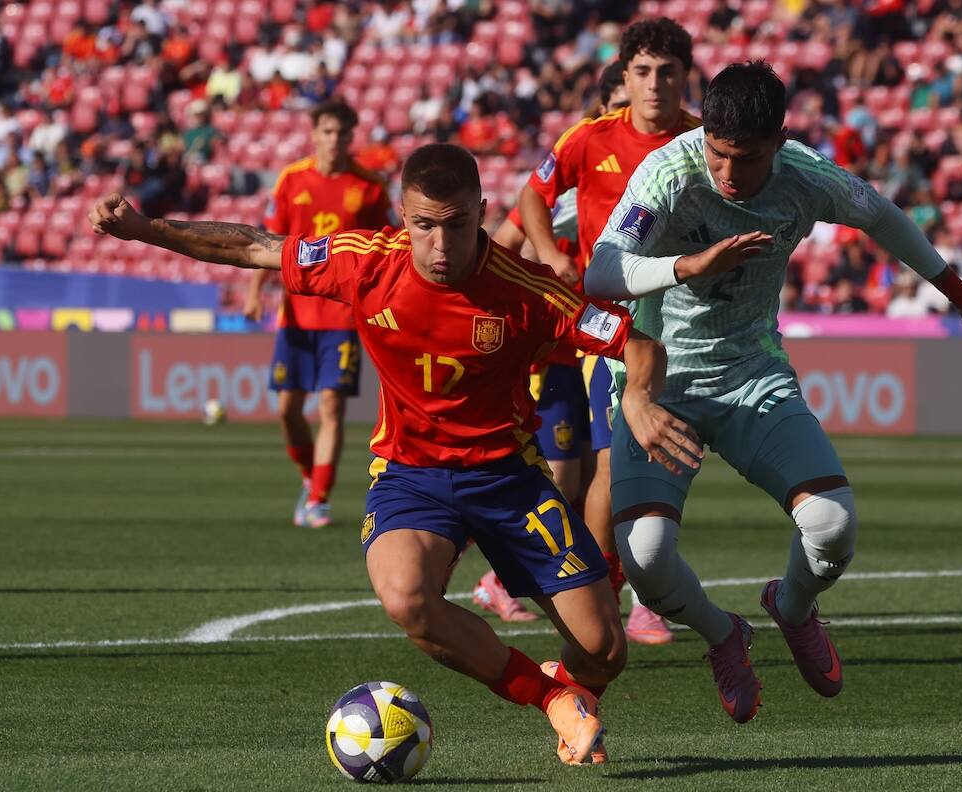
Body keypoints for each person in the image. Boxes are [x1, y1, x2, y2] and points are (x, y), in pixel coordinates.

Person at [90, 143, 698, 765]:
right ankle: (551, 701)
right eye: (424, 226)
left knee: (604, 650)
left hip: (509, 480)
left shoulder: (526, 290)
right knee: (408, 599)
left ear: (482, 213)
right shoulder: (366, 262)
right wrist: (146, 230)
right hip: (412, 475)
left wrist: (640, 401)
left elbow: (636, 342)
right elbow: (253, 246)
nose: (440, 246)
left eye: (457, 225)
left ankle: (574, 691)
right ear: (402, 217)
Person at [586, 61, 962, 724]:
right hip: (658, 386)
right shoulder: (669, 172)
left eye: (748, 158)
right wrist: (688, 264)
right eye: (719, 153)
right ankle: (722, 634)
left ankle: (790, 606)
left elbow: (881, 217)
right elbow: (601, 271)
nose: (729, 174)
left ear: (779, 141)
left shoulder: (805, 176)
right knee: (645, 558)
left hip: (751, 374)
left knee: (834, 526)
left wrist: (961, 296)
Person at [515, 18, 702, 645]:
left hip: (687, 327)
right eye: (643, 72)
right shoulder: (590, 138)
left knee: (662, 461)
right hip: (611, 329)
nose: (655, 84)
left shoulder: (703, 142)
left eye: (668, 72)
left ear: (685, 76)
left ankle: (626, 586)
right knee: (612, 463)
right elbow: (532, 196)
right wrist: (549, 251)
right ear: (624, 78)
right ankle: (605, 592)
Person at [473, 60, 630, 624]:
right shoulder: (566, 188)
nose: (622, 109)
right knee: (564, 474)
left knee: (597, 475)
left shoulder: (644, 184)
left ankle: (598, 584)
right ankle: (505, 575)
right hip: (555, 351)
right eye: (613, 99)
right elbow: (503, 245)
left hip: (597, 342)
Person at [244, 99, 391, 529]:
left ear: (351, 137)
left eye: (342, 133)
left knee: (331, 405)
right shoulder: (292, 179)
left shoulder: (369, 186)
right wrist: (255, 292)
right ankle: (311, 477)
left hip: (343, 315)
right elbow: (270, 241)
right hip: (295, 313)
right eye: (327, 132)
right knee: (287, 409)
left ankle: (320, 499)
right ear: (315, 134)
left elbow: (386, 245)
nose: (335, 141)